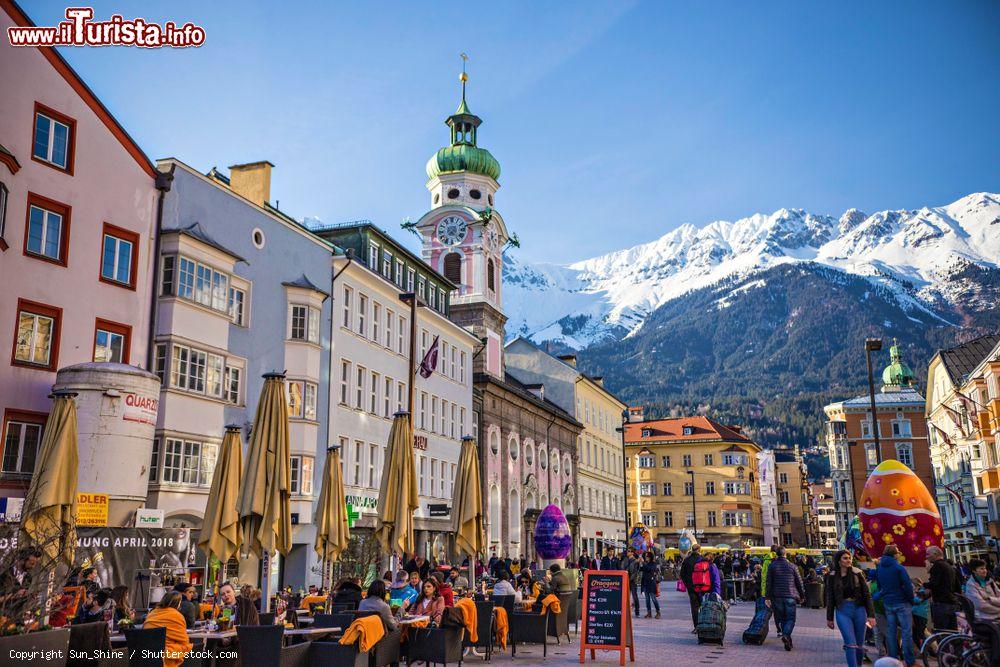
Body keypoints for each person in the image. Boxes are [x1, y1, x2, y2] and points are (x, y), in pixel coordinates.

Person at [825, 550, 875, 667]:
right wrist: (829, 618)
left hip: (859, 610)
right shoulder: (832, 576)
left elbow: (867, 595)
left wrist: (871, 615)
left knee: (859, 644)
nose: (848, 560)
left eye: (849, 558)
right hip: (843, 610)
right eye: (845, 558)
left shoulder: (858, 573)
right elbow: (830, 598)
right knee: (850, 644)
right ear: (839, 561)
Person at [874, 545, 914, 666]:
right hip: (902, 602)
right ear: (894, 554)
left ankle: (893, 659)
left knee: (891, 632)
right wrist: (911, 600)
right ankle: (909, 660)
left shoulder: (880, 567)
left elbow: (880, 586)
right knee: (906, 632)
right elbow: (907, 585)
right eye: (898, 553)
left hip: (888, 602)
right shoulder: (899, 568)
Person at [765, 546, 805, 651]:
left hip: (777, 596)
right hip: (790, 596)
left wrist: (767, 597)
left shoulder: (772, 566)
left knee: (782, 618)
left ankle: (787, 639)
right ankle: (786, 635)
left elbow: (768, 583)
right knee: (791, 619)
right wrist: (802, 595)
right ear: (785, 554)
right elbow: (799, 582)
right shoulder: (792, 566)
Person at [144, 591, 193, 667]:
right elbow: (184, 640)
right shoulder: (177, 615)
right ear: (177, 603)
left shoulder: (152, 613)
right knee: (189, 647)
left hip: (147, 652)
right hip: (165, 654)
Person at [922, 546, 960, 631]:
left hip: (941, 604)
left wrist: (923, 585)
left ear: (935, 554)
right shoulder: (949, 566)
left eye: (928, 554)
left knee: (941, 633)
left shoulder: (937, 566)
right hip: (952, 603)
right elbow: (957, 586)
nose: (926, 557)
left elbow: (934, 584)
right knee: (952, 632)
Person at [0, 548, 40, 612]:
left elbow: (21, 601)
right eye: (31, 563)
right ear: (22, 560)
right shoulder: (6, 575)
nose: (33, 567)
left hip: (15, 617)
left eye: (35, 564)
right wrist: (13, 595)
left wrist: (30, 597)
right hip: (3, 615)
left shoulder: (28, 577)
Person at [964, 558, 1000, 622]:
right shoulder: (970, 585)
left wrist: (990, 599)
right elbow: (980, 605)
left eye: (985, 568)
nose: (985, 571)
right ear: (974, 571)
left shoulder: (990, 581)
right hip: (984, 619)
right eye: (981, 569)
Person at [680, 544, 703, 632]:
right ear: (699, 550)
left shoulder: (687, 560)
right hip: (702, 587)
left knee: (694, 608)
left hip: (691, 587)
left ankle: (696, 627)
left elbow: (682, 574)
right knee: (704, 606)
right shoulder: (701, 559)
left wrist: (687, 585)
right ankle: (704, 624)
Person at [639, 551, 661, 619]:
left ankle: (658, 612)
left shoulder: (653, 564)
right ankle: (649, 613)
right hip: (645, 583)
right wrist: (640, 564)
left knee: (653, 599)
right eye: (645, 557)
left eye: (647, 557)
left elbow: (650, 569)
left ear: (650, 557)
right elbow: (641, 571)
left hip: (651, 584)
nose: (646, 558)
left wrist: (643, 563)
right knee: (647, 600)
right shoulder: (645, 564)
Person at [623, 549, 642, 616]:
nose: (627, 552)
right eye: (627, 551)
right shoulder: (625, 559)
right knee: (625, 596)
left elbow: (635, 572)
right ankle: (625, 611)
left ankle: (637, 612)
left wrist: (630, 579)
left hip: (633, 581)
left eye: (629, 551)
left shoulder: (636, 561)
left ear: (632, 553)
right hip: (625, 579)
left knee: (634, 596)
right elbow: (622, 568)